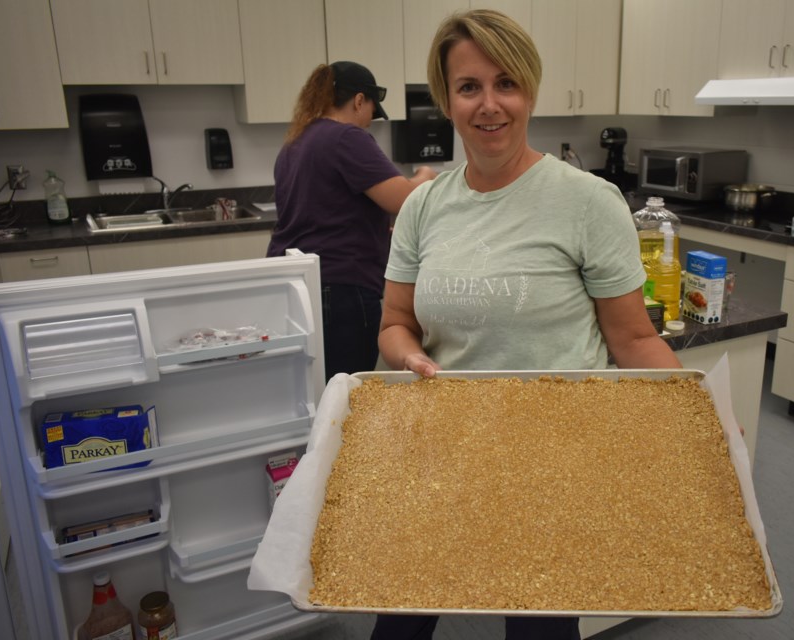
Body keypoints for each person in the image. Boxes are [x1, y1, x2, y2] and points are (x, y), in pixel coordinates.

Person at [374, 9, 682, 640]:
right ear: (448, 100)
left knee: (538, 628)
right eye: (469, 87)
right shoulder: (424, 205)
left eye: (506, 83)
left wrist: (695, 409)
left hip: (553, 459)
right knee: (400, 619)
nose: (490, 105)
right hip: (443, 449)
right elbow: (395, 323)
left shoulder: (587, 202)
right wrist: (408, 358)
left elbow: (633, 339)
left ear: (531, 91)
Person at [268, 61, 437, 381]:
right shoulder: (346, 136)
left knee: (316, 389)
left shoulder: (296, 141)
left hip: (298, 287)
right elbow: (404, 199)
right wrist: (425, 176)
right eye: (372, 112)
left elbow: (324, 212)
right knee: (345, 387)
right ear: (359, 100)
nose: (369, 123)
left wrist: (373, 228)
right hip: (341, 291)